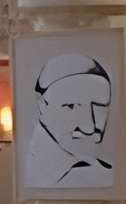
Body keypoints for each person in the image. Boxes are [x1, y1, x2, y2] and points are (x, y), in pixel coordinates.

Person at [29, 53, 114, 186]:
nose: (89, 128)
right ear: (43, 104)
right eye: (71, 106)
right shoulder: (31, 171)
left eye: (100, 107)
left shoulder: (105, 174)